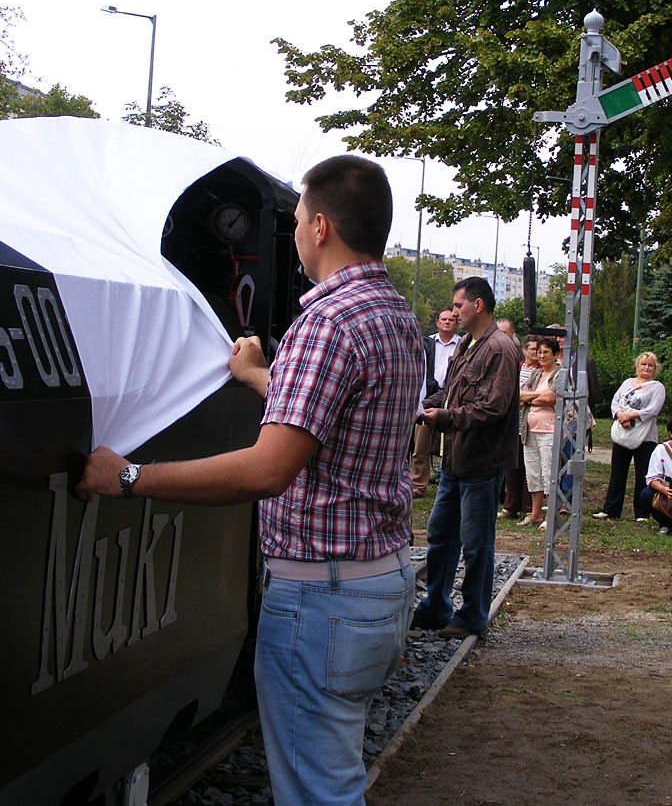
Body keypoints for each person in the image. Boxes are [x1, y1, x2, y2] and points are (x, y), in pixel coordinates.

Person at [76, 154, 424, 806]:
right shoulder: (394, 315)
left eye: (297, 219)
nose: (294, 232)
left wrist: (127, 476)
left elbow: (268, 469)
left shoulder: (326, 323)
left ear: (320, 227)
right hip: (378, 582)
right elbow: (331, 412)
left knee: (319, 790)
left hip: (322, 598)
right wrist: (260, 376)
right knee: (334, 767)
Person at [411, 277, 519, 639]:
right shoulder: (468, 344)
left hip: (481, 464)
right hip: (455, 463)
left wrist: (444, 418)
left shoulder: (499, 349)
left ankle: (473, 615)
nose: (454, 312)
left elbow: (493, 407)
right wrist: (420, 406)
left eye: (458, 305)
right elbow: (450, 393)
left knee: (476, 544)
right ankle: (436, 607)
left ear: (478, 305)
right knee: (441, 534)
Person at [594, 351, 666, 521]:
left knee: (643, 474)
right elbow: (615, 401)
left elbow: (653, 409)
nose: (646, 368)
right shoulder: (627, 383)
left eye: (650, 365)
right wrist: (621, 415)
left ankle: (642, 512)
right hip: (623, 433)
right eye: (643, 364)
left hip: (645, 436)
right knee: (617, 472)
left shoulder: (657, 387)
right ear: (637, 366)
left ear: (655, 368)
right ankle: (611, 509)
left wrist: (631, 415)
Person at [411, 308, 459, 498]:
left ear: (456, 323)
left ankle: (448, 482)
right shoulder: (426, 344)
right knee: (420, 445)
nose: (447, 322)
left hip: (452, 398)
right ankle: (418, 484)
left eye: (451, 320)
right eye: (444, 319)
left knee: (450, 444)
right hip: (428, 398)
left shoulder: (462, 344)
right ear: (437, 322)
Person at [518, 337, 560, 530]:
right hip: (530, 430)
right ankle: (535, 513)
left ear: (555, 354)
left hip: (549, 430)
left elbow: (551, 397)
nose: (541, 356)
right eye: (539, 352)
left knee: (548, 472)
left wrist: (529, 398)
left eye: (546, 352)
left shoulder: (560, 375)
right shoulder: (535, 374)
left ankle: (550, 516)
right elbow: (519, 394)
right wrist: (536, 397)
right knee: (533, 473)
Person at [498, 334, 538, 521]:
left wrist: (522, 396)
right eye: (533, 349)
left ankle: (528, 507)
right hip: (514, 424)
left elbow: (539, 394)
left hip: (531, 425)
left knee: (530, 467)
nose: (536, 353)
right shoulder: (517, 367)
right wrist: (520, 396)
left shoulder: (540, 372)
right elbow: (507, 390)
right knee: (513, 467)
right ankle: (510, 506)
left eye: (539, 350)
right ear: (524, 350)